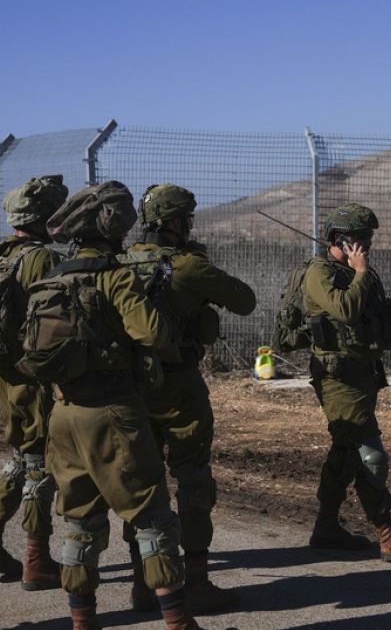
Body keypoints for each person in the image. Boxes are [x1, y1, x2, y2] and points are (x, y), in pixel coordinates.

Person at [23, 181, 200, 630]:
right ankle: (179, 624)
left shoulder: (52, 278)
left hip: (62, 416)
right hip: (114, 413)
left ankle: (83, 623)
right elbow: (154, 334)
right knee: (152, 518)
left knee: (80, 523)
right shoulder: (115, 276)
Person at [122, 184, 256, 614]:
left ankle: (146, 583)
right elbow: (245, 301)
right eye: (187, 219)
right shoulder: (188, 265)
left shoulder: (119, 264)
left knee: (142, 484)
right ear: (175, 222)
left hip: (129, 388)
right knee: (193, 480)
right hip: (179, 387)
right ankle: (196, 583)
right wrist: (199, 265)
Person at [302, 202, 391, 562]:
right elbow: (345, 310)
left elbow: (370, 321)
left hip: (363, 375)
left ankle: (325, 528)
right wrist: (361, 272)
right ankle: (386, 531)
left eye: (369, 237)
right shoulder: (319, 273)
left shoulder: (358, 274)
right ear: (340, 239)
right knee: (369, 454)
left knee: (345, 451)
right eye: (360, 238)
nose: (367, 243)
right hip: (337, 378)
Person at [0, 175, 69, 590]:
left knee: (22, 457)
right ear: (44, 216)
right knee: (40, 467)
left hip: (7, 376)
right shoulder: (40, 259)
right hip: (35, 376)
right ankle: (36, 559)